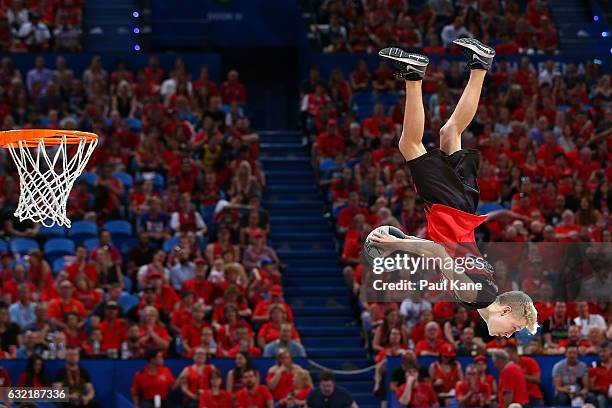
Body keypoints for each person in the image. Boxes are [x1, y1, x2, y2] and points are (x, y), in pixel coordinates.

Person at [371, 39, 538, 338]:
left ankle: (480, 65)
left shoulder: (488, 287)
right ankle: (413, 75)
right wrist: (395, 245)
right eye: (513, 328)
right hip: (449, 210)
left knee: (450, 133)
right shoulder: (477, 297)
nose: (508, 335)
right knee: (409, 145)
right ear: (505, 310)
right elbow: (436, 251)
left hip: (463, 208)